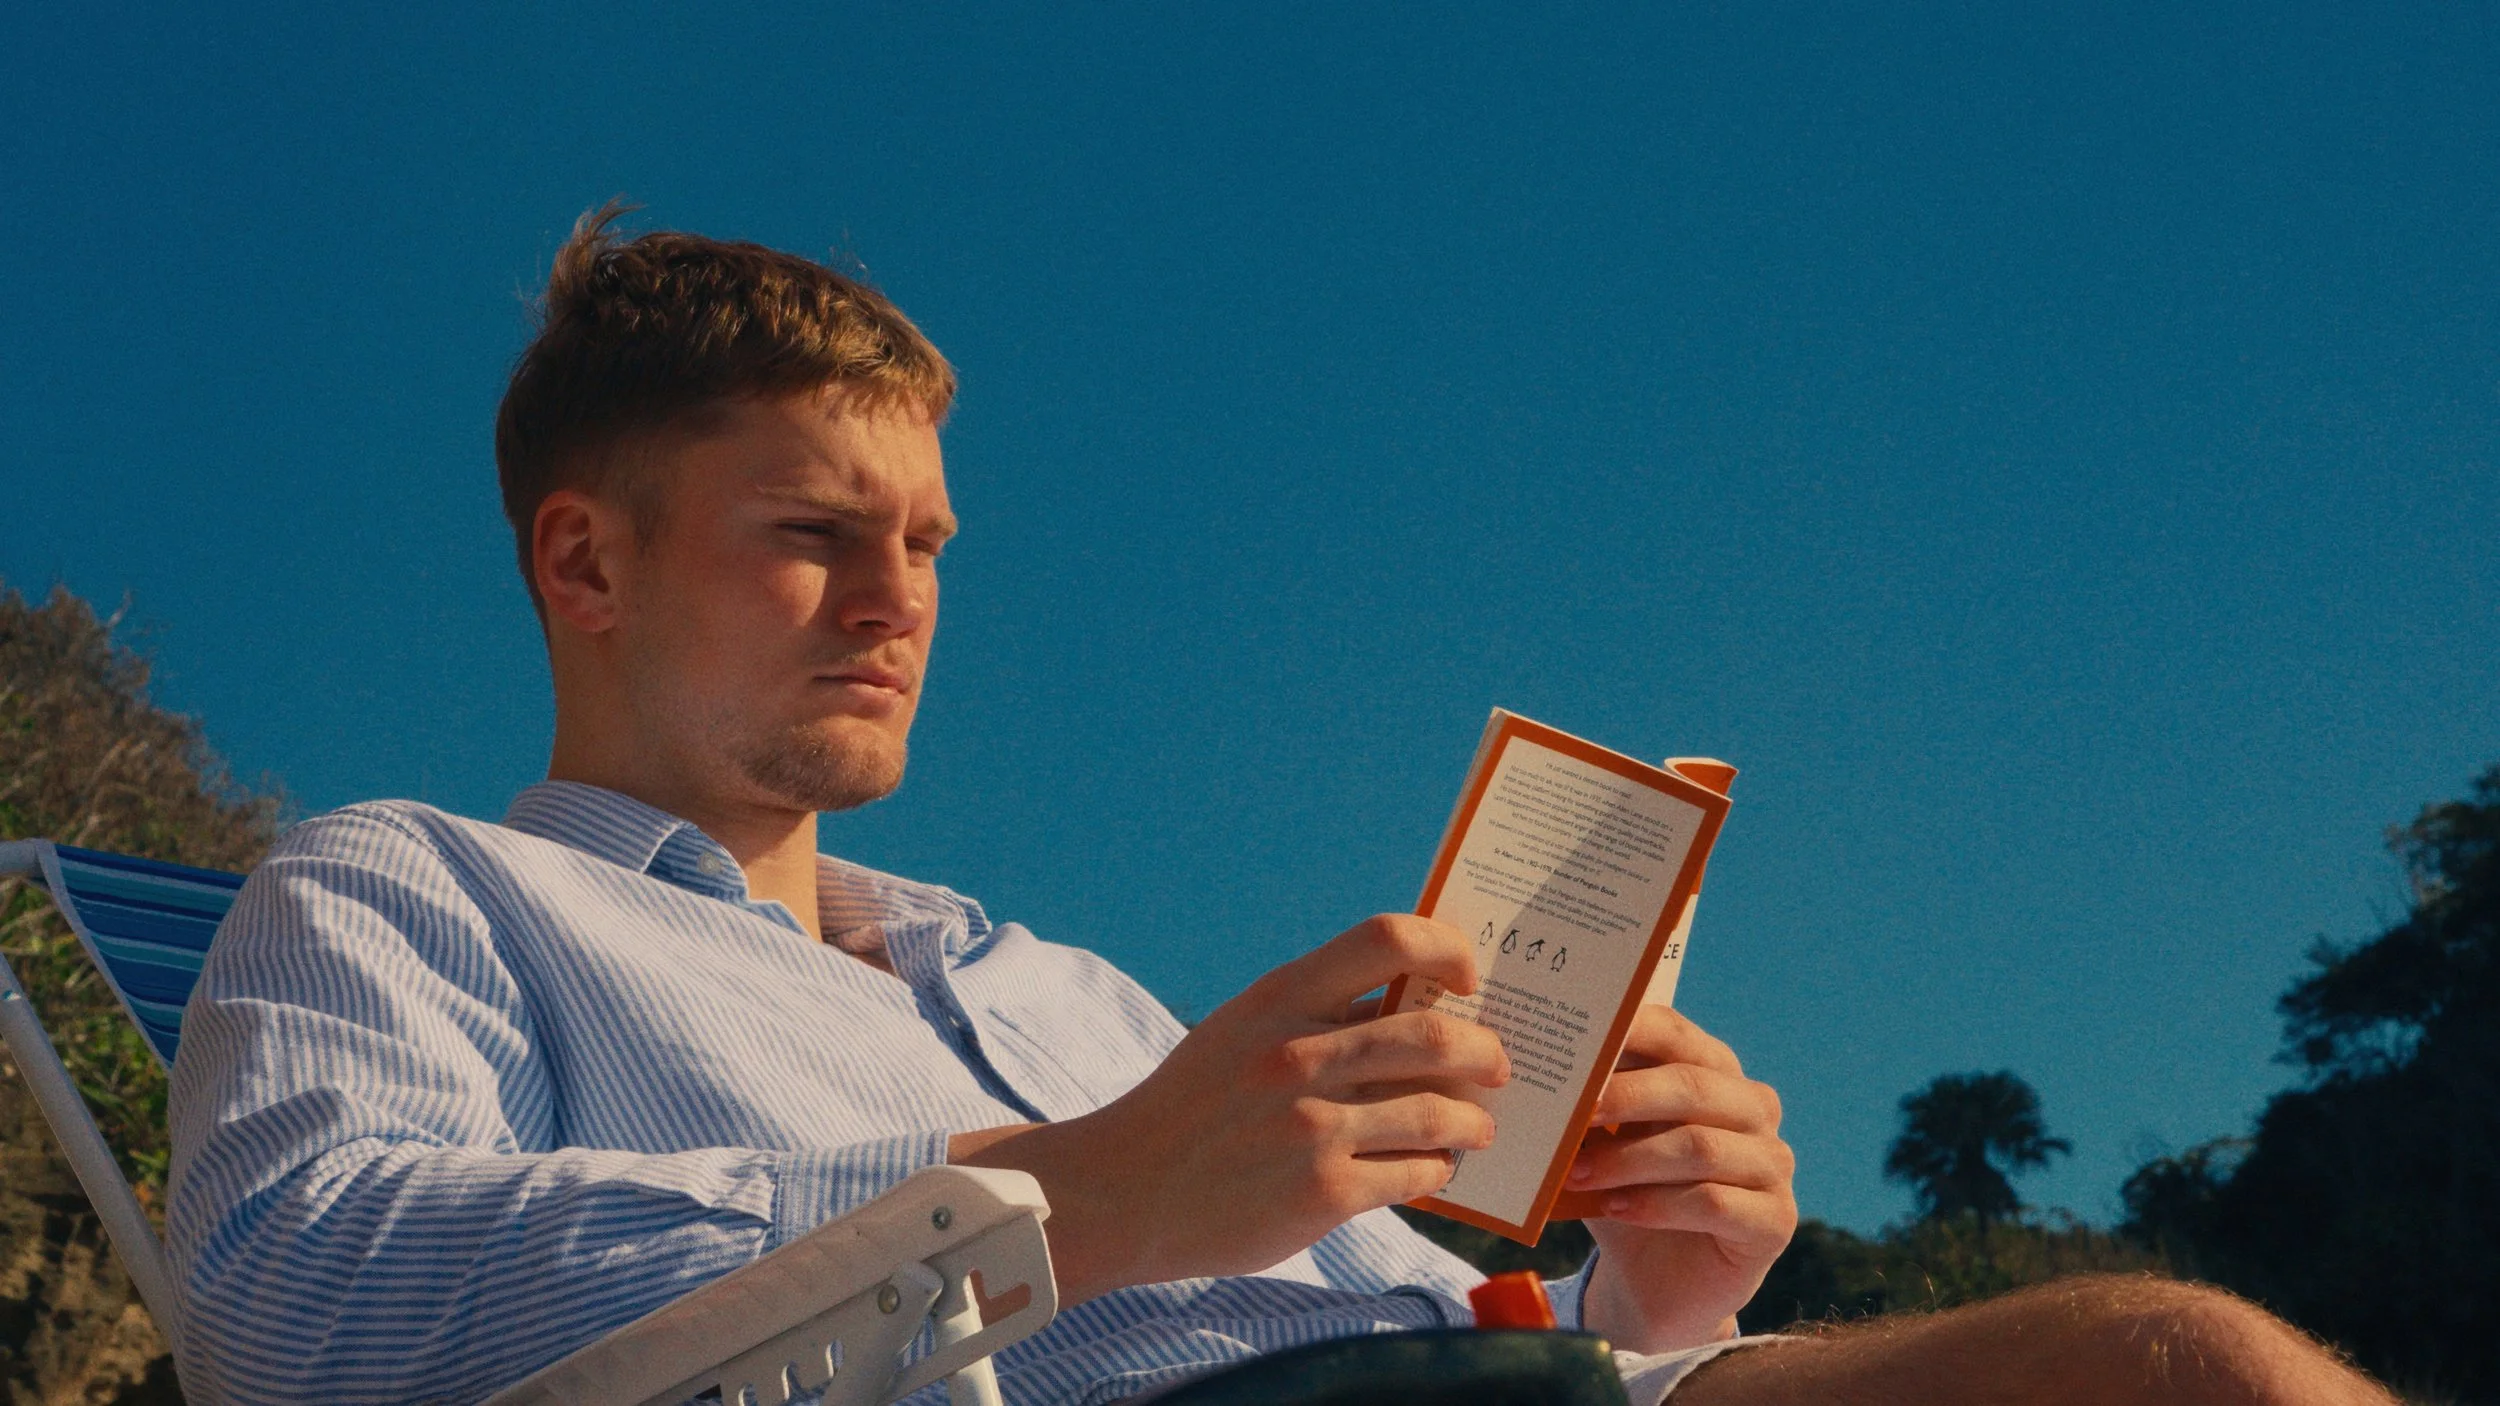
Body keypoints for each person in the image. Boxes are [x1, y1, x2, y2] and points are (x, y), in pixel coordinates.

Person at [165, 208, 2393, 1406]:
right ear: (583, 560)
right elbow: (285, 1300)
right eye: (812, 533)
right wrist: (1074, 1195)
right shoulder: (396, 891)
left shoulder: (1035, 973)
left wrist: (1659, 1286)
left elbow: (1422, 1335)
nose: (897, 596)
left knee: (2175, 1362)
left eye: (930, 543)